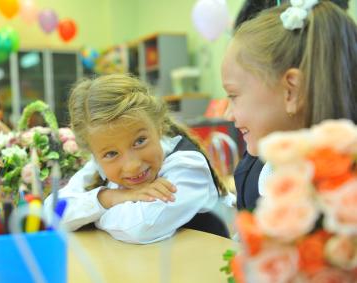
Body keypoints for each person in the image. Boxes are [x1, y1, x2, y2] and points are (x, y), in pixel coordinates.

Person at [44, 74, 235, 244]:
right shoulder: (99, 165)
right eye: (111, 154)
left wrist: (88, 215)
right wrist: (111, 198)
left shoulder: (188, 166)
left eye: (140, 141)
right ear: (94, 155)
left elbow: (141, 227)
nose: (132, 165)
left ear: (159, 127)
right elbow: (51, 211)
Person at [222, 0, 357, 210]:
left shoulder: (345, 189)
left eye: (233, 95)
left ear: (291, 91)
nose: (228, 114)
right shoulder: (249, 173)